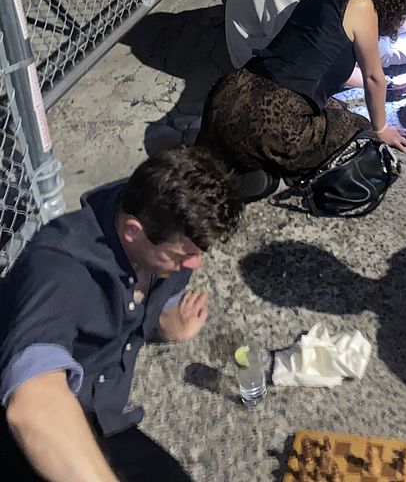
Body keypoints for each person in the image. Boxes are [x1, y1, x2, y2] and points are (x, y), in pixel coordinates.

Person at [0, 148, 242, 482]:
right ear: (133, 230)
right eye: (183, 255)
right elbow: (33, 405)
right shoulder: (60, 269)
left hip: (104, 416)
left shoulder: (164, 229)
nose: (194, 264)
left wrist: (166, 322)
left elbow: (145, 302)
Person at [199, 0, 406, 191]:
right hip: (275, 117)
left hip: (228, 95)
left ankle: (239, 161)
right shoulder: (363, 5)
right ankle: (273, 181)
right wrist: (381, 129)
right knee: (356, 126)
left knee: (332, 107)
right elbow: (373, 77)